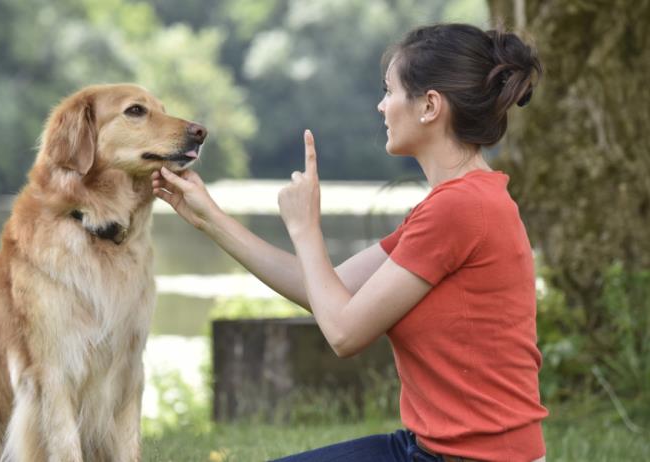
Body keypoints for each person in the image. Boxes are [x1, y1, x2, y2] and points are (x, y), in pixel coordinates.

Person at [151, 23, 547, 462]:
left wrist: (306, 229)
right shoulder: (458, 203)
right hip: (428, 449)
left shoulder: (459, 210)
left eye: (389, 91)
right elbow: (329, 291)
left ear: (430, 105)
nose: (381, 106)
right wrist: (211, 219)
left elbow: (342, 332)